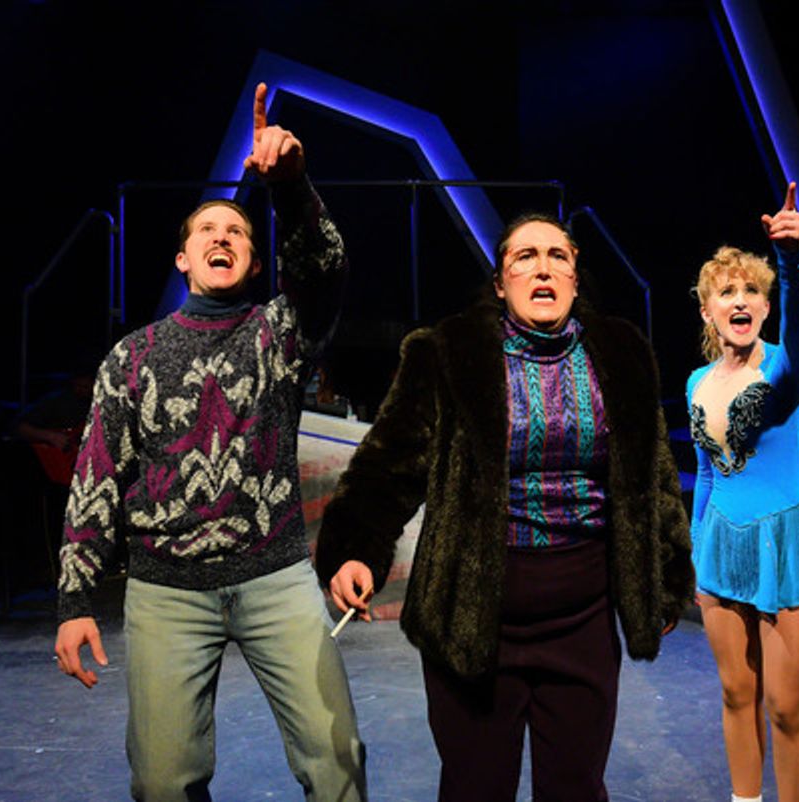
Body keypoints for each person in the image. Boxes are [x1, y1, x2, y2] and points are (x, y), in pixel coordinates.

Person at [53, 83, 367, 802]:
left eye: (237, 233)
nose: (222, 237)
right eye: (207, 232)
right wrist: (74, 602)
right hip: (166, 589)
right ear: (183, 259)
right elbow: (95, 479)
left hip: (274, 577)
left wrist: (290, 187)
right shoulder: (133, 357)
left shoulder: (278, 335)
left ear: (255, 265)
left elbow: (324, 269)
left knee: (338, 761)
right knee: (163, 782)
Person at [316, 213, 694, 802]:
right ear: (500, 283)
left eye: (557, 256)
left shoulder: (621, 353)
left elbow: (654, 476)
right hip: (473, 613)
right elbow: (388, 464)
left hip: (583, 614)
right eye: (524, 257)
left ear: (574, 278)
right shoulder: (447, 353)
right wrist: (355, 550)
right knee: (476, 787)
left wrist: (666, 574)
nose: (542, 269)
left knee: (576, 788)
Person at [686, 183, 799, 802]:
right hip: (721, 546)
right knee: (737, 694)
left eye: (752, 291)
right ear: (707, 311)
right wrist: (695, 555)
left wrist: (791, 258)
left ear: (765, 305)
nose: (740, 299)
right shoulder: (698, 381)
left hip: (790, 543)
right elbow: (707, 474)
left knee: (785, 707)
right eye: (726, 292)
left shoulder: (789, 367)